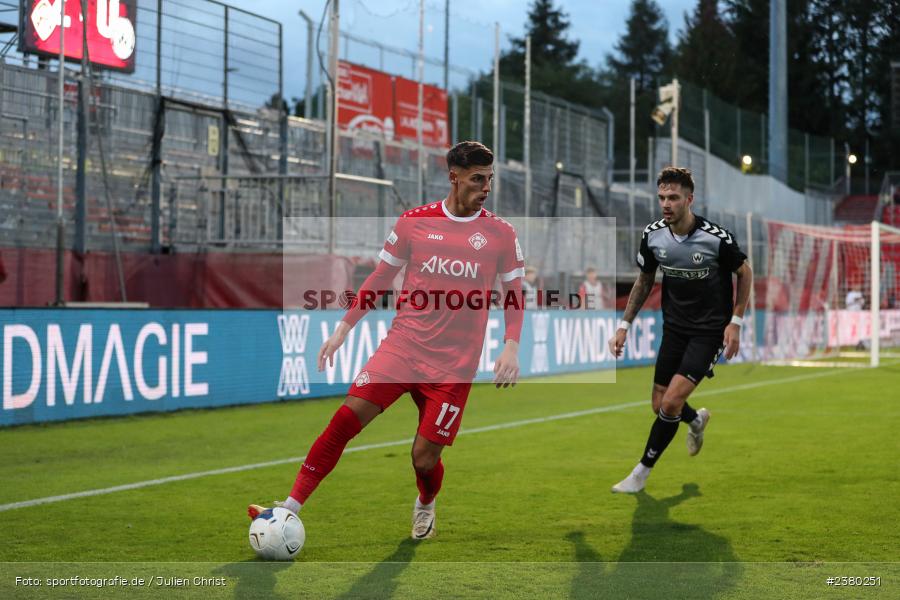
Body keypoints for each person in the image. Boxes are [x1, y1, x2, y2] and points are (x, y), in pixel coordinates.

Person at [249, 141, 525, 539]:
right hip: (403, 347)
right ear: (454, 177)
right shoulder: (414, 222)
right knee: (344, 421)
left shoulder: (500, 233)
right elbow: (379, 278)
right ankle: (288, 509)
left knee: (424, 458)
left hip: (454, 365)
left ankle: (426, 503)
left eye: (489, 179)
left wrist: (511, 344)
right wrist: (344, 328)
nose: (486, 187)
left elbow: (514, 293)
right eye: (477, 179)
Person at [608, 167, 753, 493]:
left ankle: (640, 474)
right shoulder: (653, 236)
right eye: (661, 197)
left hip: (709, 332)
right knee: (659, 405)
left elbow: (745, 273)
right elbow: (644, 281)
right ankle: (696, 420)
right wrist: (623, 326)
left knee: (670, 404)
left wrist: (736, 322)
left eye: (673, 197)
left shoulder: (717, 238)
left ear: (689, 199)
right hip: (674, 329)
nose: (666, 204)